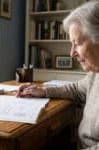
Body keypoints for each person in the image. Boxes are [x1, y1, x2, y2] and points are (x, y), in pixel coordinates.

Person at [16, 1, 99, 149]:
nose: (71, 53)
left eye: (77, 43)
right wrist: (43, 91)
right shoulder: (95, 73)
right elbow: (77, 89)